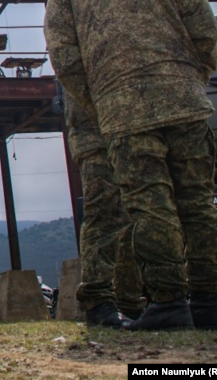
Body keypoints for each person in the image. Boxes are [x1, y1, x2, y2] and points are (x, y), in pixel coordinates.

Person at [44, 0, 217, 332]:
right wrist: (190, 80)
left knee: (149, 206)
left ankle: (170, 303)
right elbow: (204, 30)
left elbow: (64, 58)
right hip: (185, 103)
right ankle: (208, 304)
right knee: (199, 204)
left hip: (122, 116)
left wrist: (104, 101)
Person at [64, 92, 144, 329]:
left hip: (134, 132)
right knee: (104, 216)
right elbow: (71, 77)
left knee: (134, 217)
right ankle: (99, 301)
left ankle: (131, 302)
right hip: (97, 135)